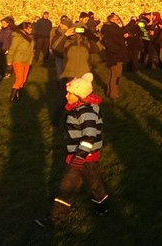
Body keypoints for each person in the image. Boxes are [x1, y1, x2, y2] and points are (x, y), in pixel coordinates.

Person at [35, 73, 109, 228]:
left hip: (84, 158)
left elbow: (89, 138)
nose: (66, 95)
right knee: (78, 186)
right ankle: (58, 216)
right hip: (79, 157)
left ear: (80, 96)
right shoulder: (79, 110)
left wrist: (80, 157)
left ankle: (101, 208)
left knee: (88, 185)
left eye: (70, 93)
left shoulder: (86, 113)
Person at [101, 13, 128, 100]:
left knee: (114, 74)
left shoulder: (109, 28)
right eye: (117, 19)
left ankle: (110, 92)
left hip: (114, 54)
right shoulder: (111, 28)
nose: (118, 21)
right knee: (116, 75)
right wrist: (132, 22)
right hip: (116, 55)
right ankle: (114, 94)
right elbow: (120, 31)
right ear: (111, 20)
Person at [7, 22, 35, 102]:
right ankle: (12, 97)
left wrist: (30, 61)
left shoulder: (30, 37)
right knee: (19, 79)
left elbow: (31, 50)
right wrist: (9, 61)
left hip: (26, 60)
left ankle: (18, 95)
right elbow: (12, 49)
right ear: (24, 29)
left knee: (23, 79)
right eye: (29, 28)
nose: (31, 29)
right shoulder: (18, 37)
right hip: (18, 59)